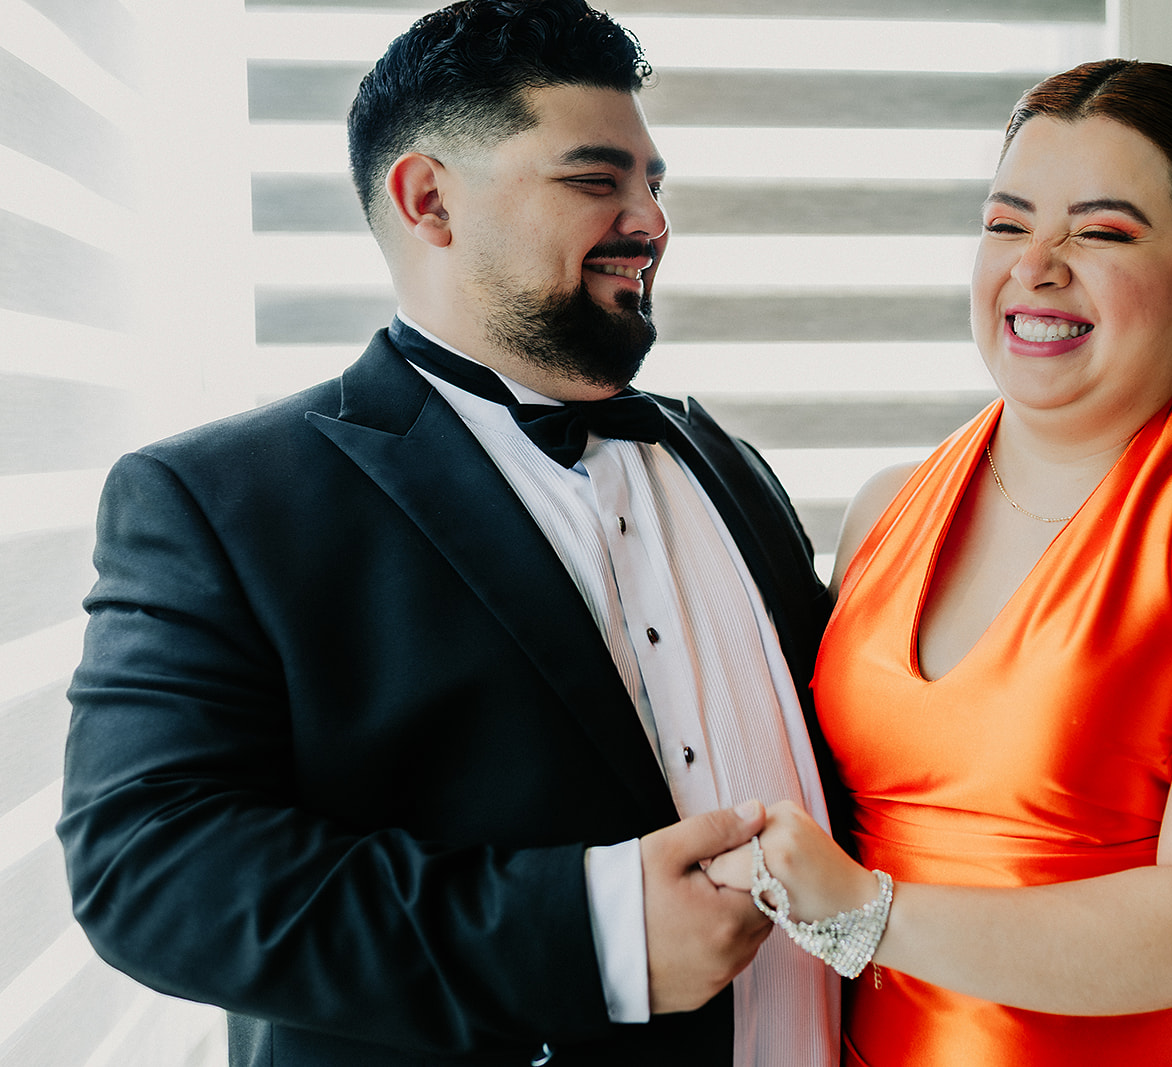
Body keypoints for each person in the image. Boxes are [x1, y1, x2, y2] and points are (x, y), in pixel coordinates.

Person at [56, 3, 843, 1065]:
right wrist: (593, 932)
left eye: (654, 183)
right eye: (596, 179)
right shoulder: (218, 501)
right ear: (428, 200)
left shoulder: (728, 463)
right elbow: (151, 869)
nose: (651, 220)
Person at [705, 59, 1172, 1065]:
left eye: (1100, 233)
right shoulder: (886, 506)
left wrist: (866, 913)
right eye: (1006, 223)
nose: (1036, 266)